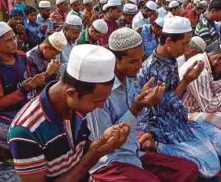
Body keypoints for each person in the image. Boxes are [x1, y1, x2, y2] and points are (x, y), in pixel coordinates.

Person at [88, 27, 199, 182]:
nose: (140, 66)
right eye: (133, 61)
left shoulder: (131, 80)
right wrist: (137, 107)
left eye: (141, 59)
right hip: (110, 161)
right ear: (114, 60)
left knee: (189, 170)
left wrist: (148, 106)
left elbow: (141, 116)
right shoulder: (99, 92)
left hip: (134, 151)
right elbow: (104, 141)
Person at [7, 44, 130, 182]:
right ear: (71, 93)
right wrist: (94, 155)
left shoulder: (77, 108)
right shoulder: (25, 131)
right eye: (96, 101)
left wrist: (101, 143)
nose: (101, 107)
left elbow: (77, 150)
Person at [135, 16, 221, 178]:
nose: (187, 49)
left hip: (179, 118)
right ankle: (157, 147)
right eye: (184, 43)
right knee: (211, 168)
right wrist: (187, 81)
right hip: (162, 125)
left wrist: (187, 80)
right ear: (168, 41)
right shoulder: (153, 69)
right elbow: (160, 107)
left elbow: (174, 98)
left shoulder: (171, 60)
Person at [0, 22, 45, 126]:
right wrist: (23, 90)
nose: (14, 42)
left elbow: (30, 81)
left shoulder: (21, 56)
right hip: (8, 114)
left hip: (26, 105)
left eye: (14, 38)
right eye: (9, 40)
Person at [179, 40, 221, 130]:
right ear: (220, 59)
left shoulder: (202, 59)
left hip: (196, 107)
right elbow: (209, 108)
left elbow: (210, 87)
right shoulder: (200, 69)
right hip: (182, 113)